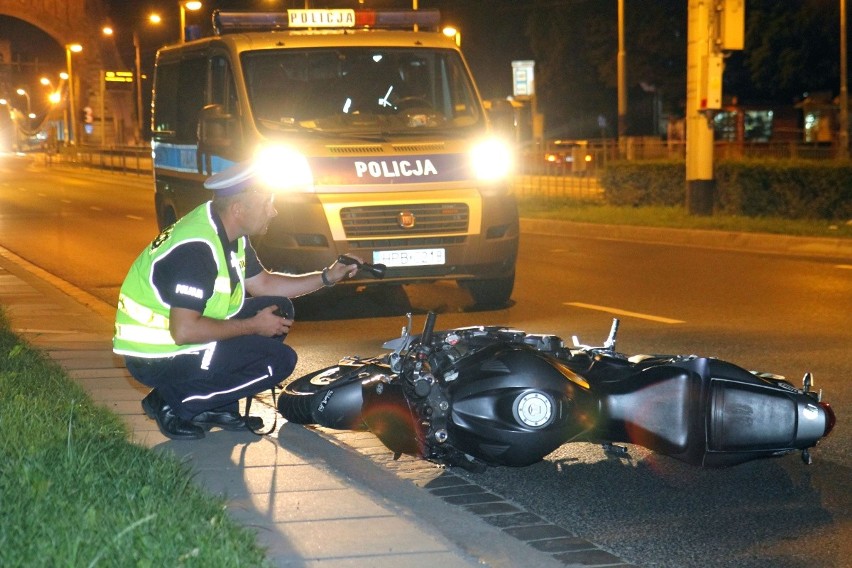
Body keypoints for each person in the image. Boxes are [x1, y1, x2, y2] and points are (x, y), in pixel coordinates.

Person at [113, 159, 360, 439]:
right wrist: (254, 326)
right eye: (267, 204)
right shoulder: (197, 249)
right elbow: (184, 330)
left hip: (182, 340)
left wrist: (328, 276)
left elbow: (265, 284)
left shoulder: (229, 232)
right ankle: (173, 401)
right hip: (157, 355)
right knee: (278, 362)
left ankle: (219, 406)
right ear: (239, 209)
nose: (274, 211)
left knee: (279, 308)